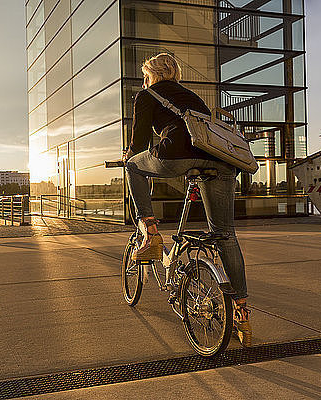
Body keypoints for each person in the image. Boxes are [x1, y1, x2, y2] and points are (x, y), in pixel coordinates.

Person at [123, 53, 251, 347]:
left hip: (177, 156)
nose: (145, 80)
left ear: (151, 74)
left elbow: (140, 143)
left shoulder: (146, 95)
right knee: (224, 235)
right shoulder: (191, 96)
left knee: (133, 166)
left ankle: (151, 232)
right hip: (220, 161)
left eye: (146, 74)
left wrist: (129, 155)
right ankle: (243, 313)